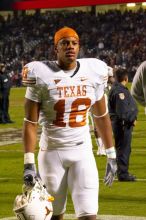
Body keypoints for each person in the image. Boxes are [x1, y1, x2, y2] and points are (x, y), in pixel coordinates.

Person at [22, 27, 117, 220]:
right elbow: (30, 122)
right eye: (64, 43)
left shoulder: (94, 71)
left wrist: (111, 154)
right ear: (55, 48)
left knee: (89, 215)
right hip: (51, 154)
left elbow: (102, 116)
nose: (70, 47)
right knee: (55, 216)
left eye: (74, 43)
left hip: (83, 152)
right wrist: (29, 163)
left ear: (79, 46)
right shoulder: (40, 74)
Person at [108, 67, 138, 182]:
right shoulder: (120, 91)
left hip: (121, 124)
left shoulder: (117, 89)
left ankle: (122, 172)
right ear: (126, 77)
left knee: (123, 148)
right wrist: (131, 119)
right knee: (123, 149)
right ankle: (123, 174)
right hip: (123, 125)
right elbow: (122, 112)